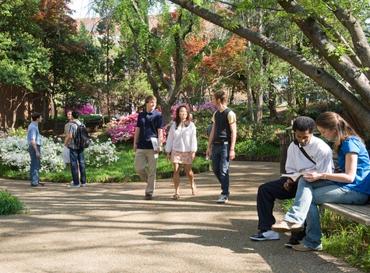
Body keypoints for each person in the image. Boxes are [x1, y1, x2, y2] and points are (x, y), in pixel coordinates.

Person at [272, 112, 370, 252]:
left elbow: (350, 177)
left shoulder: (350, 143)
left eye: (323, 131)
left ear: (334, 130)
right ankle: (294, 220)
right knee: (305, 179)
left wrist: (321, 175)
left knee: (309, 198)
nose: (323, 135)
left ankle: (311, 239)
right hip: (347, 186)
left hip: (357, 191)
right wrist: (317, 176)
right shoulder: (344, 142)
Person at [249, 116, 333, 246]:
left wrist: (302, 178)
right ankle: (267, 230)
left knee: (304, 190)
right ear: (294, 133)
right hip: (295, 181)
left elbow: (324, 174)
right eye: (299, 136)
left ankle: (298, 236)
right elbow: (291, 169)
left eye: (305, 137)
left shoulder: (322, 148)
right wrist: (288, 180)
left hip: (315, 184)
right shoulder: (293, 146)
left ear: (312, 132)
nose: (302, 140)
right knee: (265, 189)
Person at [206, 90, 237, 204]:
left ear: (218, 100)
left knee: (223, 170)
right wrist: (209, 147)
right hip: (216, 145)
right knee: (215, 169)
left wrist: (232, 149)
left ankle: (224, 193)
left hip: (225, 145)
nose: (212, 101)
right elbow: (213, 131)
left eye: (213, 99)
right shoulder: (216, 114)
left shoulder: (230, 113)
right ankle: (225, 186)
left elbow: (234, 132)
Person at [133, 95, 164, 200]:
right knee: (138, 168)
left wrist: (160, 144)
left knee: (152, 171)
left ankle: (149, 192)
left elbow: (160, 131)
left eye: (154, 102)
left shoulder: (158, 115)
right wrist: (135, 143)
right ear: (146, 103)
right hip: (141, 146)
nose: (153, 104)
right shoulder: (141, 115)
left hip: (153, 146)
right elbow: (137, 129)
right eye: (151, 102)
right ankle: (150, 182)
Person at [165, 105, 197, 199]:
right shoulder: (174, 125)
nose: (182, 114)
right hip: (176, 151)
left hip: (187, 151)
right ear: (178, 113)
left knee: (188, 172)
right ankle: (177, 192)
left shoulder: (191, 125)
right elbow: (170, 138)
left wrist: (193, 151)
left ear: (187, 113)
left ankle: (192, 185)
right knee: (175, 170)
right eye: (181, 112)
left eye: (184, 112)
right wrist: (168, 151)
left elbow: (193, 139)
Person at [64, 111, 87, 188]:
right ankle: (83, 182)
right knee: (82, 163)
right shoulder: (82, 124)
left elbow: (70, 136)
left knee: (74, 164)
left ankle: (76, 183)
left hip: (73, 146)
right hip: (81, 146)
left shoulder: (73, 125)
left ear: (73, 116)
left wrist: (65, 143)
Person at [27, 112, 44, 187]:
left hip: (34, 146)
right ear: (37, 118)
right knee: (35, 164)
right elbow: (32, 140)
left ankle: (35, 180)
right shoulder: (33, 127)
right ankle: (34, 182)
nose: (41, 118)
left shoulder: (34, 125)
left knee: (35, 163)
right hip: (34, 147)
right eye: (41, 117)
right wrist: (36, 151)